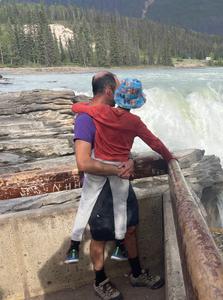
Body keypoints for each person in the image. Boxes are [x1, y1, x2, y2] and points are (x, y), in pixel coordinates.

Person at [66, 71, 164, 300]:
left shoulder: (110, 114)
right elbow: (83, 162)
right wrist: (118, 169)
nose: (121, 92)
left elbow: (120, 147)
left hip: (120, 180)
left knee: (130, 228)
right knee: (99, 237)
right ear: (109, 91)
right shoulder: (86, 119)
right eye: (118, 87)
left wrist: (128, 160)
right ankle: (100, 281)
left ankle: (137, 273)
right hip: (100, 188)